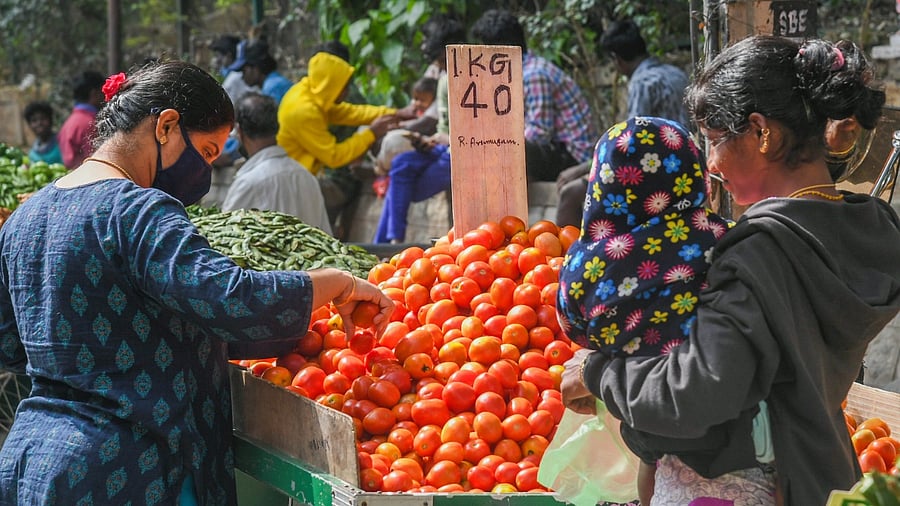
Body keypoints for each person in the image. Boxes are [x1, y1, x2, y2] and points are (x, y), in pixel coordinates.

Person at [0, 60, 393, 505]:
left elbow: (11, 345)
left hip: (35, 460)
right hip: (132, 468)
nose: (206, 169)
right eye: (206, 151)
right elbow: (232, 300)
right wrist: (335, 283)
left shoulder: (24, 218)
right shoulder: (138, 211)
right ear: (166, 125)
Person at [560, 36, 900, 505]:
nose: (712, 165)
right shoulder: (860, 230)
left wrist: (600, 374)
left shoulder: (756, 254)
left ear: (762, 132)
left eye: (716, 141)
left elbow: (696, 396)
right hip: (821, 477)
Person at [557, 116, 733, 504]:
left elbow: (574, 324)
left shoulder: (592, 263)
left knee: (651, 472)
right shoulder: (726, 239)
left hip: (645, 410)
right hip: (728, 419)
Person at [556, 19, 692, 228]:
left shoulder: (641, 82)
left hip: (653, 172)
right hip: (685, 167)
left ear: (616, 59)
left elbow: (631, 144)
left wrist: (582, 169)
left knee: (571, 192)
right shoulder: (676, 74)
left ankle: (565, 257)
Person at [276, 47, 413, 233]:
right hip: (297, 184)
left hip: (306, 175)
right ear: (330, 84)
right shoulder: (303, 112)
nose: (348, 92)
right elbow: (334, 156)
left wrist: (394, 113)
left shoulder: (311, 92)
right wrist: (371, 133)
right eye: (345, 87)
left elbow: (349, 112)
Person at [470, 9, 597, 183]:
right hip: (554, 149)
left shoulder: (534, 75)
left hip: (573, 157)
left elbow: (539, 132)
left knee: (506, 148)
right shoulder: (516, 73)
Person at [372, 15, 466, 244]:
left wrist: (446, 138)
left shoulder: (468, 74)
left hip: (459, 151)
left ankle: (386, 245)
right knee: (400, 165)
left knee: (400, 187)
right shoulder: (441, 74)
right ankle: (391, 241)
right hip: (439, 147)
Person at [222, 92, 332, 233]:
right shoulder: (307, 177)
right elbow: (326, 236)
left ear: (239, 130)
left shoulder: (249, 183)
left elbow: (224, 238)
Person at [57, 70, 105, 168]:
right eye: (102, 92)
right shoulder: (90, 123)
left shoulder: (69, 123)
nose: (105, 97)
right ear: (94, 93)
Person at [239, 41, 293, 105]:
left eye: (244, 71)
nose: (242, 77)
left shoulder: (271, 87)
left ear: (256, 68)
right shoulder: (274, 80)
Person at [210, 34, 257, 106]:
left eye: (219, 55)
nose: (217, 60)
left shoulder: (234, 77)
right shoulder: (229, 75)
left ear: (229, 55)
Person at [22, 100, 63, 165]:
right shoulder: (32, 153)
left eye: (43, 118)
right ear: (29, 125)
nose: (39, 123)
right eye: (34, 120)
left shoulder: (62, 142)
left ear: (50, 120)